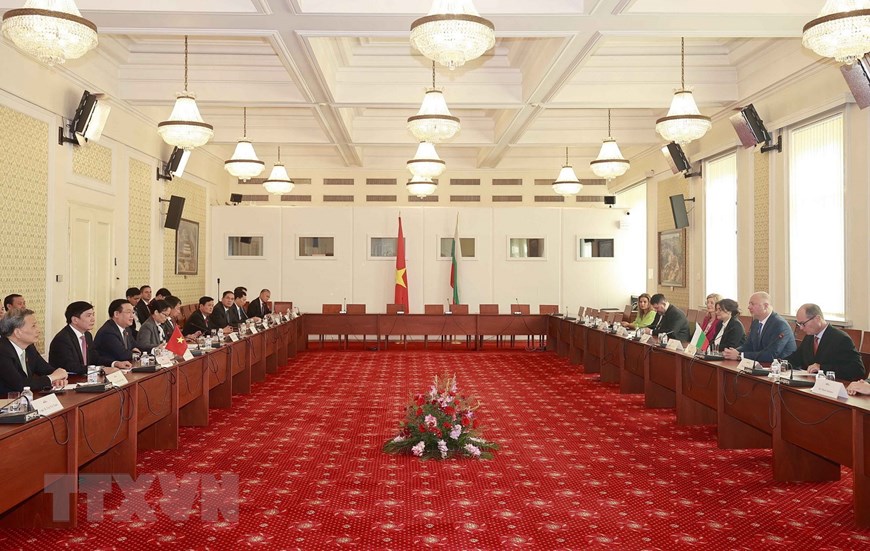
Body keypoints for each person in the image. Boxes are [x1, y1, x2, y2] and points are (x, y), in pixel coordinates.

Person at [784, 303, 865, 381]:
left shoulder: (840, 338)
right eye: (799, 324)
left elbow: (858, 370)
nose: (801, 328)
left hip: (833, 385)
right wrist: (781, 363)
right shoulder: (809, 337)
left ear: (817, 319)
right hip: (811, 383)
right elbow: (796, 358)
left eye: (803, 324)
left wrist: (822, 368)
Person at [0, 308, 67, 394]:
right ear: (17, 332)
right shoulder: (2, 351)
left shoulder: (29, 348)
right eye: (33, 326)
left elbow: (47, 370)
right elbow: (20, 385)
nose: (38, 330)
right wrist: (52, 378)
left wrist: (58, 378)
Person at [722, 292, 796, 362]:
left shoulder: (779, 325)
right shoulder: (756, 322)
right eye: (749, 304)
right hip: (761, 364)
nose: (749, 307)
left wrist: (740, 355)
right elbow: (748, 345)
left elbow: (771, 354)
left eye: (752, 304)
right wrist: (734, 352)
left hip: (782, 366)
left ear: (765, 306)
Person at [49, 301, 105, 375]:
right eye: (88, 316)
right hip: (70, 379)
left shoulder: (87, 335)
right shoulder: (62, 339)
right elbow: (71, 367)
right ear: (75, 320)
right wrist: (100, 369)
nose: (93, 319)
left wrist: (114, 363)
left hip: (85, 377)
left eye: (93, 315)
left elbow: (95, 358)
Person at [93, 299, 139, 364]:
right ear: (116, 314)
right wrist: (136, 354)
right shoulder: (108, 331)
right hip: (108, 367)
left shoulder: (127, 329)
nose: (132, 316)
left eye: (133, 312)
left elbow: (135, 346)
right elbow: (122, 355)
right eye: (128, 312)